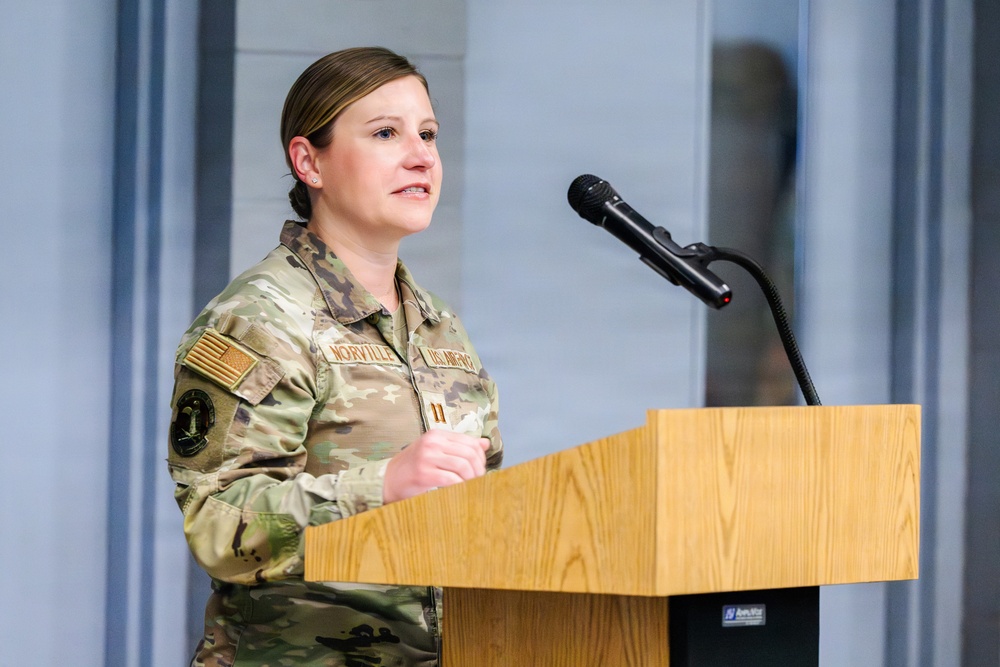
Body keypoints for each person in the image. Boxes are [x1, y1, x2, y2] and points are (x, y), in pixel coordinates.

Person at [167, 46, 503, 667]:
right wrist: (380, 486)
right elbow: (217, 524)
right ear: (308, 162)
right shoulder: (261, 319)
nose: (421, 154)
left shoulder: (439, 328)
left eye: (428, 134)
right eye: (385, 133)